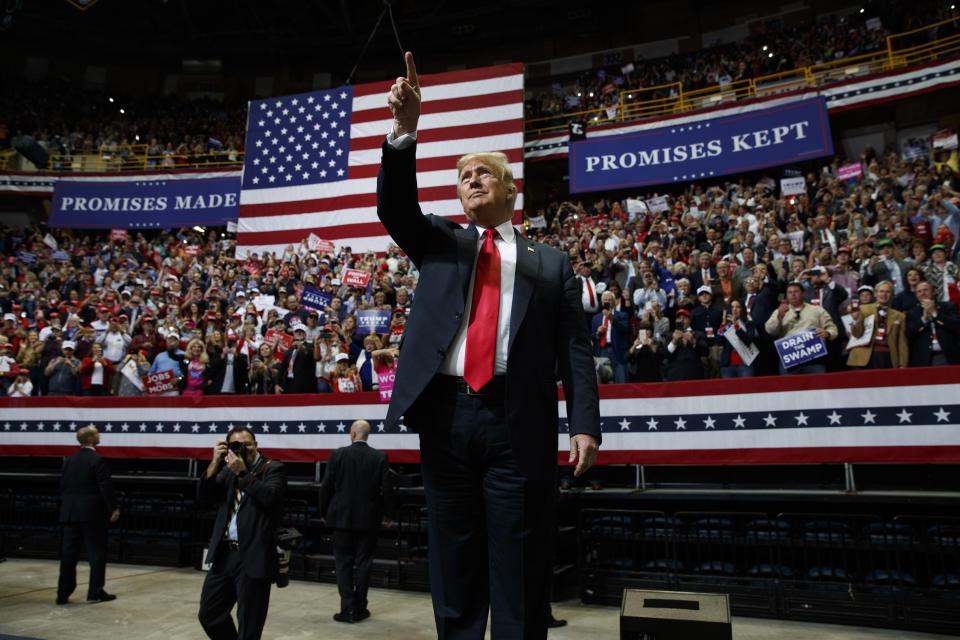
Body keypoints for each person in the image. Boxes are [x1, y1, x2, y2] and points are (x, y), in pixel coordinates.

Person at [378, 52, 600, 640]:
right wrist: (405, 132)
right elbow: (393, 207)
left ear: (509, 187)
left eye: (482, 172)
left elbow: (575, 349)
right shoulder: (440, 241)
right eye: (463, 176)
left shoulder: (551, 263)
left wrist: (585, 424)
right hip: (446, 417)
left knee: (522, 563)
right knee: (454, 563)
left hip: (517, 421)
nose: (470, 180)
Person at [197, 425, 287, 640]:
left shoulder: (271, 468)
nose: (243, 449)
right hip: (225, 555)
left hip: (254, 555)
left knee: (249, 624)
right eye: (236, 445)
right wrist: (214, 463)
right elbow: (205, 500)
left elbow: (270, 498)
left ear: (255, 445)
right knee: (209, 615)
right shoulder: (227, 471)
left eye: (247, 444)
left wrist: (243, 473)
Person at [319, 420, 391, 623]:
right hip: (369, 519)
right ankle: (360, 607)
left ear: (352, 434)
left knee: (343, 564)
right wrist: (389, 514)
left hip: (341, 518)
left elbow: (326, 486)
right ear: (367, 435)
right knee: (364, 564)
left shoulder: (338, 455)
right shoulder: (379, 457)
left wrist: (323, 511)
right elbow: (386, 489)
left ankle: (347, 608)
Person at [56, 425, 120, 605]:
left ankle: (63, 593)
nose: (100, 436)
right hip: (92, 513)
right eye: (97, 433)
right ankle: (95, 591)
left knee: (68, 554)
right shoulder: (97, 459)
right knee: (97, 553)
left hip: (70, 512)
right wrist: (112, 508)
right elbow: (104, 486)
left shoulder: (69, 460)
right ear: (91, 439)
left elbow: (63, 485)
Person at [764, 281, 838, 374]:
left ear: (803, 294)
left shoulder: (817, 310)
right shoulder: (779, 312)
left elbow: (832, 328)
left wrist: (828, 333)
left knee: (817, 386)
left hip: (814, 358)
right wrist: (779, 317)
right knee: (790, 387)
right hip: (789, 358)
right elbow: (770, 330)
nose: (793, 295)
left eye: (796, 292)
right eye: (790, 292)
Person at [847, 280, 908, 369]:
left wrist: (902, 364)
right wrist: (855, 320)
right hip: (862, 358)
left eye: (887, 292)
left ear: (892, 295)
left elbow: (902, 342)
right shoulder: (863, 309)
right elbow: (857, 334)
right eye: (881, 291)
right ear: (875, 294)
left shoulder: (899, 316)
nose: (884, 294)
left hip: (887, 356)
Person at [906, 280, 960, 366]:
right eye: (919, 291)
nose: (922, 293)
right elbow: (909, 334)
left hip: (948, 356)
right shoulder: (911, 313)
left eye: (926, 290)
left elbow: (955, 326)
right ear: (916, 295)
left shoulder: (949, 307)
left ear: (934, 292)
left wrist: (935, 313)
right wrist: (923, 320)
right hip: (923, 359)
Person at [591, 290, 630, 383]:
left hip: (617, 351)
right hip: (602, 351)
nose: (607, 301)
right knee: (602, 381)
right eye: (605, 300)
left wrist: (612, 319)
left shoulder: (622, 315)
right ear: (602, 302)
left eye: (610, 300)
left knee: (621, 380)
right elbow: (591, 336)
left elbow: (625, 329)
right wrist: (597, 333)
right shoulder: (596, 318)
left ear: (614, 301)